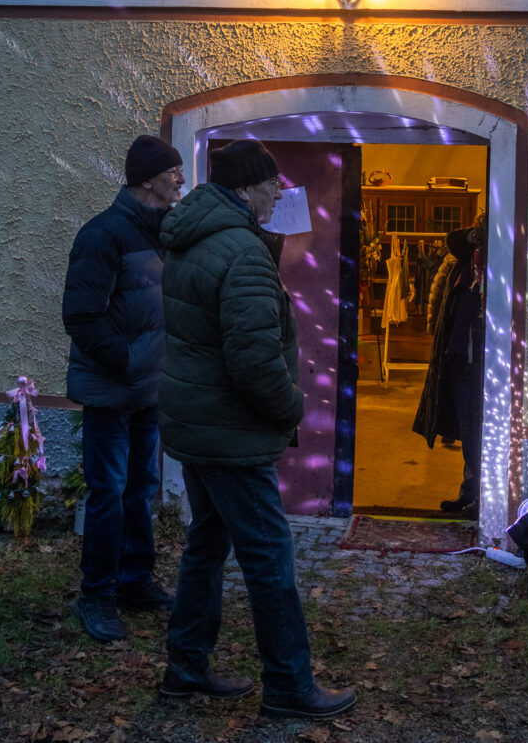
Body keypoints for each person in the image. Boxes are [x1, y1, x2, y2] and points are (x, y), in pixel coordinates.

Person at [157, 139, 356, 719]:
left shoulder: (195, 239)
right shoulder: (241, 251)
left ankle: (186, 666)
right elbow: (252, 359)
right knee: (269, 556)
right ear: (246, 187)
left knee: (207, 545)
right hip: (231, 433)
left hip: (202, 424)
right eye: (273, 184)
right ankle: (290, 685)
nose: (279, 194)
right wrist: (292, 407)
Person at [63, 134, 185, 642]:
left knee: (141, 491)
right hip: (111, 391)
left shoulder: (163, 234)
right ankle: (97, 595)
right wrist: (130, 362)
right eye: (171, 170)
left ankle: (136, 581)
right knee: (108, 493)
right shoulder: (103, 234)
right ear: (145, 179)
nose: (180, 177)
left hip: (147, 391)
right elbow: (81, 315)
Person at [413, 219, 486, 519]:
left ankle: (479, 498)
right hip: (459, 362)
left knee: (479, 435)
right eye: (476, 245)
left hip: (480, 364)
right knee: (469, 434)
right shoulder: (464, 267)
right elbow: (453, 241)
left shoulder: (495, 273)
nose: (478, 251)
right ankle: (469, 494)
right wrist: (476, 234)